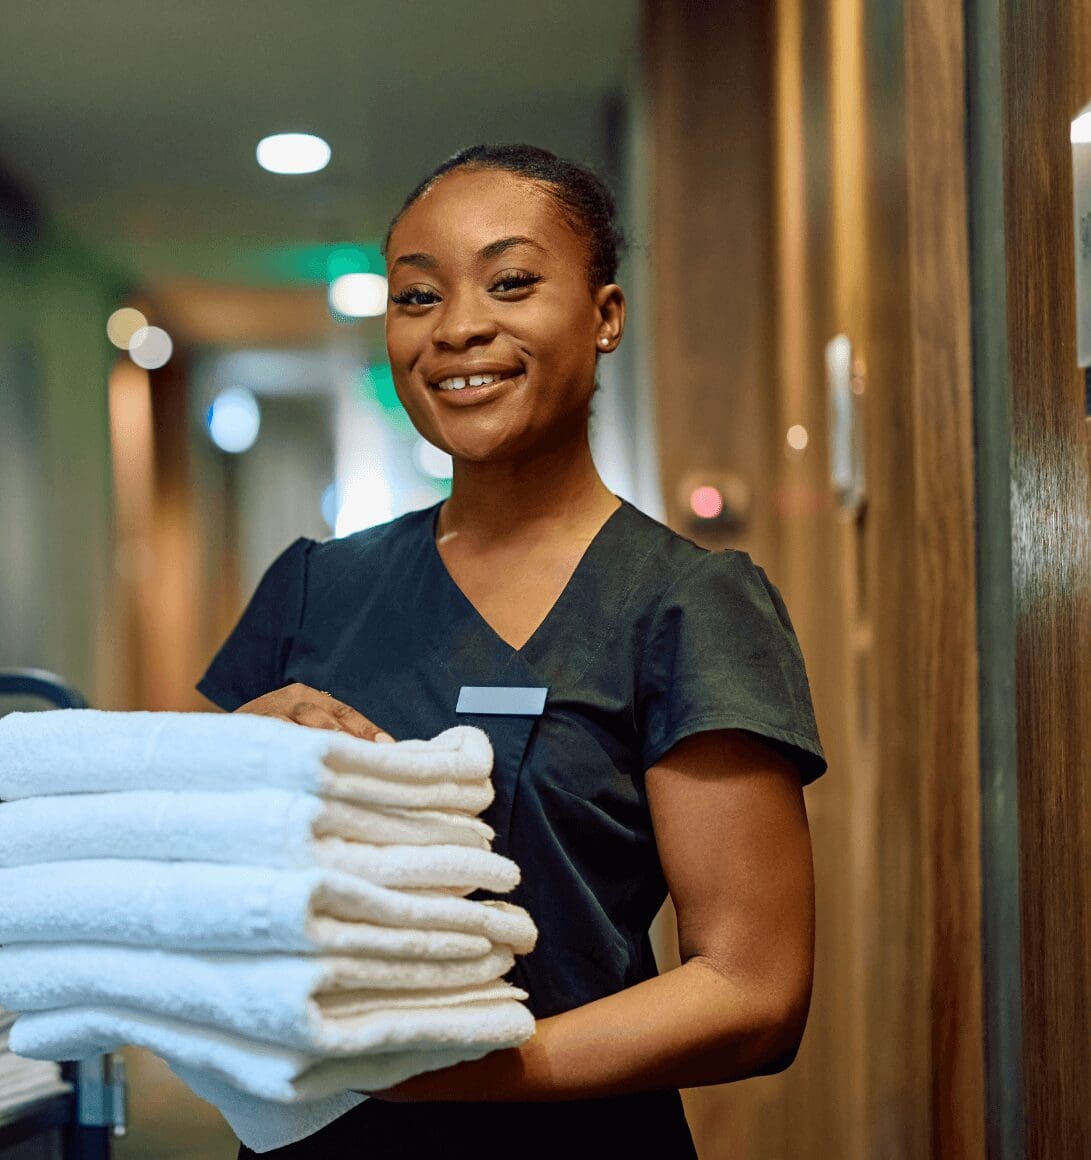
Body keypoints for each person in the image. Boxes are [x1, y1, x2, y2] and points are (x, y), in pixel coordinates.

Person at [198, 144, 824, 1157]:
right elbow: (195, 883)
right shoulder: (315, 584)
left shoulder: (684, 604)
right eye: (415, 295)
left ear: (605, 314)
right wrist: (224, 761)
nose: (456, 328)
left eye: (511, 281)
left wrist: (468, 1073)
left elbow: (754, 991)